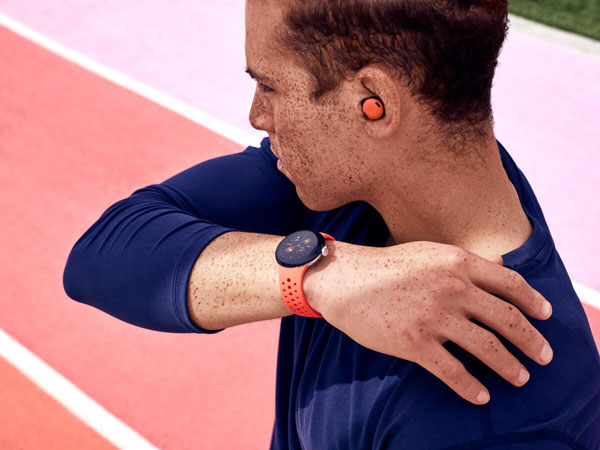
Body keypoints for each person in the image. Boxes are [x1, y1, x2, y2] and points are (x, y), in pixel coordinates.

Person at [63, 0, 600, 448]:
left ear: (375, 103)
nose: (256, 116)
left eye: (269, 87)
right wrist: (323, 276)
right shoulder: (377, 176)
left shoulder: (498, 418)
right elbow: (104, 252)